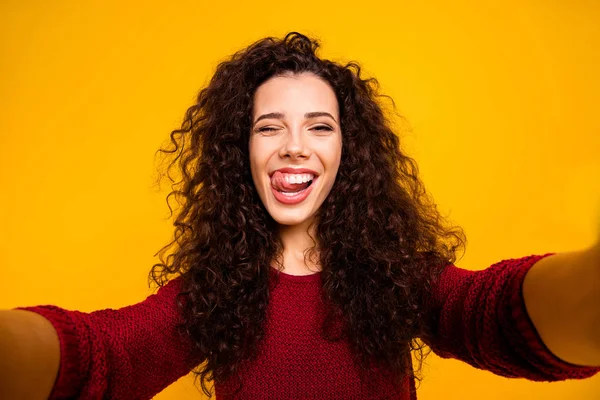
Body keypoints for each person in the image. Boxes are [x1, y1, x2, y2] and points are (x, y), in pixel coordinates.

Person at [1, 32, 599, 400]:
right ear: (244, 154)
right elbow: (108, 357)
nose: (294, 146)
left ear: (348, 151)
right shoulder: (214, 297)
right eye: (269, 127)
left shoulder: (396, 278)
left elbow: (491, 314)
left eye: (319, 126)